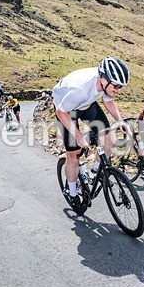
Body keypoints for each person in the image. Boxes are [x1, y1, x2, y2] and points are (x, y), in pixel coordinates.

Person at [53, 56, 129, 209]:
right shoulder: (81, 89)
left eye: (121, 86)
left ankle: (96, 172)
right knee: (74, 155)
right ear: (103, 79)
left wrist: (120, 120)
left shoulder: (105, 83)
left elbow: (108, 100)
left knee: (109, 138)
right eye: (116, 86)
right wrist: (79, 136)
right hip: (66, 109)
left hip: (86, 105)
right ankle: (72, 192)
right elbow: (61, 112)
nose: (118, 90)